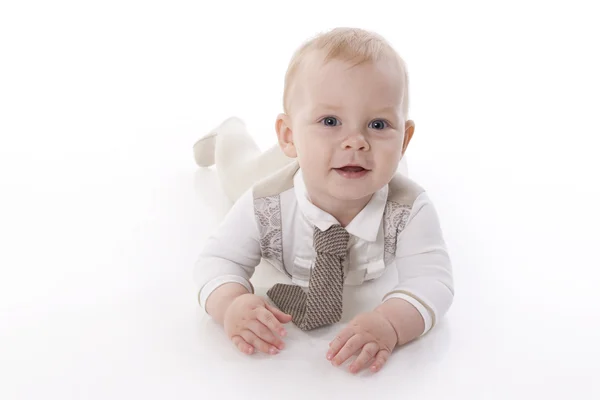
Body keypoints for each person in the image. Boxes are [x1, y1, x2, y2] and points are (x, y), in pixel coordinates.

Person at [193, 27, 454, 374]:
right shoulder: (265, 204)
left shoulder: (408, 209)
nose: (356, 141)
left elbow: (433, 280)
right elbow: (217, 259)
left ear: (404, 139)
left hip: (356, 167)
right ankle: (229, 131)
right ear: (289, 135)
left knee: (385, 167)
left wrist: (392, 323)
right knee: (237, 174)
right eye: (330, 120)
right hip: (292, 166)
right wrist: (230, 304)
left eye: (378, 124)